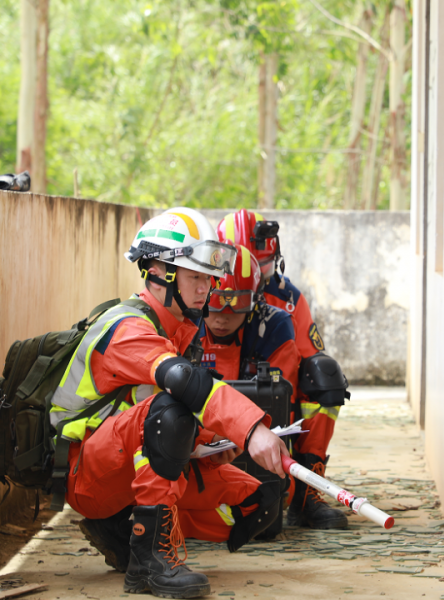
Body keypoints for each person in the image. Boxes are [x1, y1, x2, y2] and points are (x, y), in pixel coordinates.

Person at [50, 207, 288, 599]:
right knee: (173, 412)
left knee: (261, 501)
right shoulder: (126, 327)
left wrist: (211, 444)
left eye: (208, 279)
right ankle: (149, 563)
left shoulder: (176, 327)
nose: (205, 289)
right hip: (86, 474)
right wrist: (251, 430)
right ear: (159, 273)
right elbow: (183, 385)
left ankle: (119, 530)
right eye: (196, 277)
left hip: (122, 464)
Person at [200, 244, 349, 530]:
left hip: (261, 435)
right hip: (199, 441)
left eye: (237, 303)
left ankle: (307, 494)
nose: (222, 316)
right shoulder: (186, 322)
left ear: (255, 299)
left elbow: (281, 406)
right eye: (215, 302)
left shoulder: (277, 322)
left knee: (324, 377)